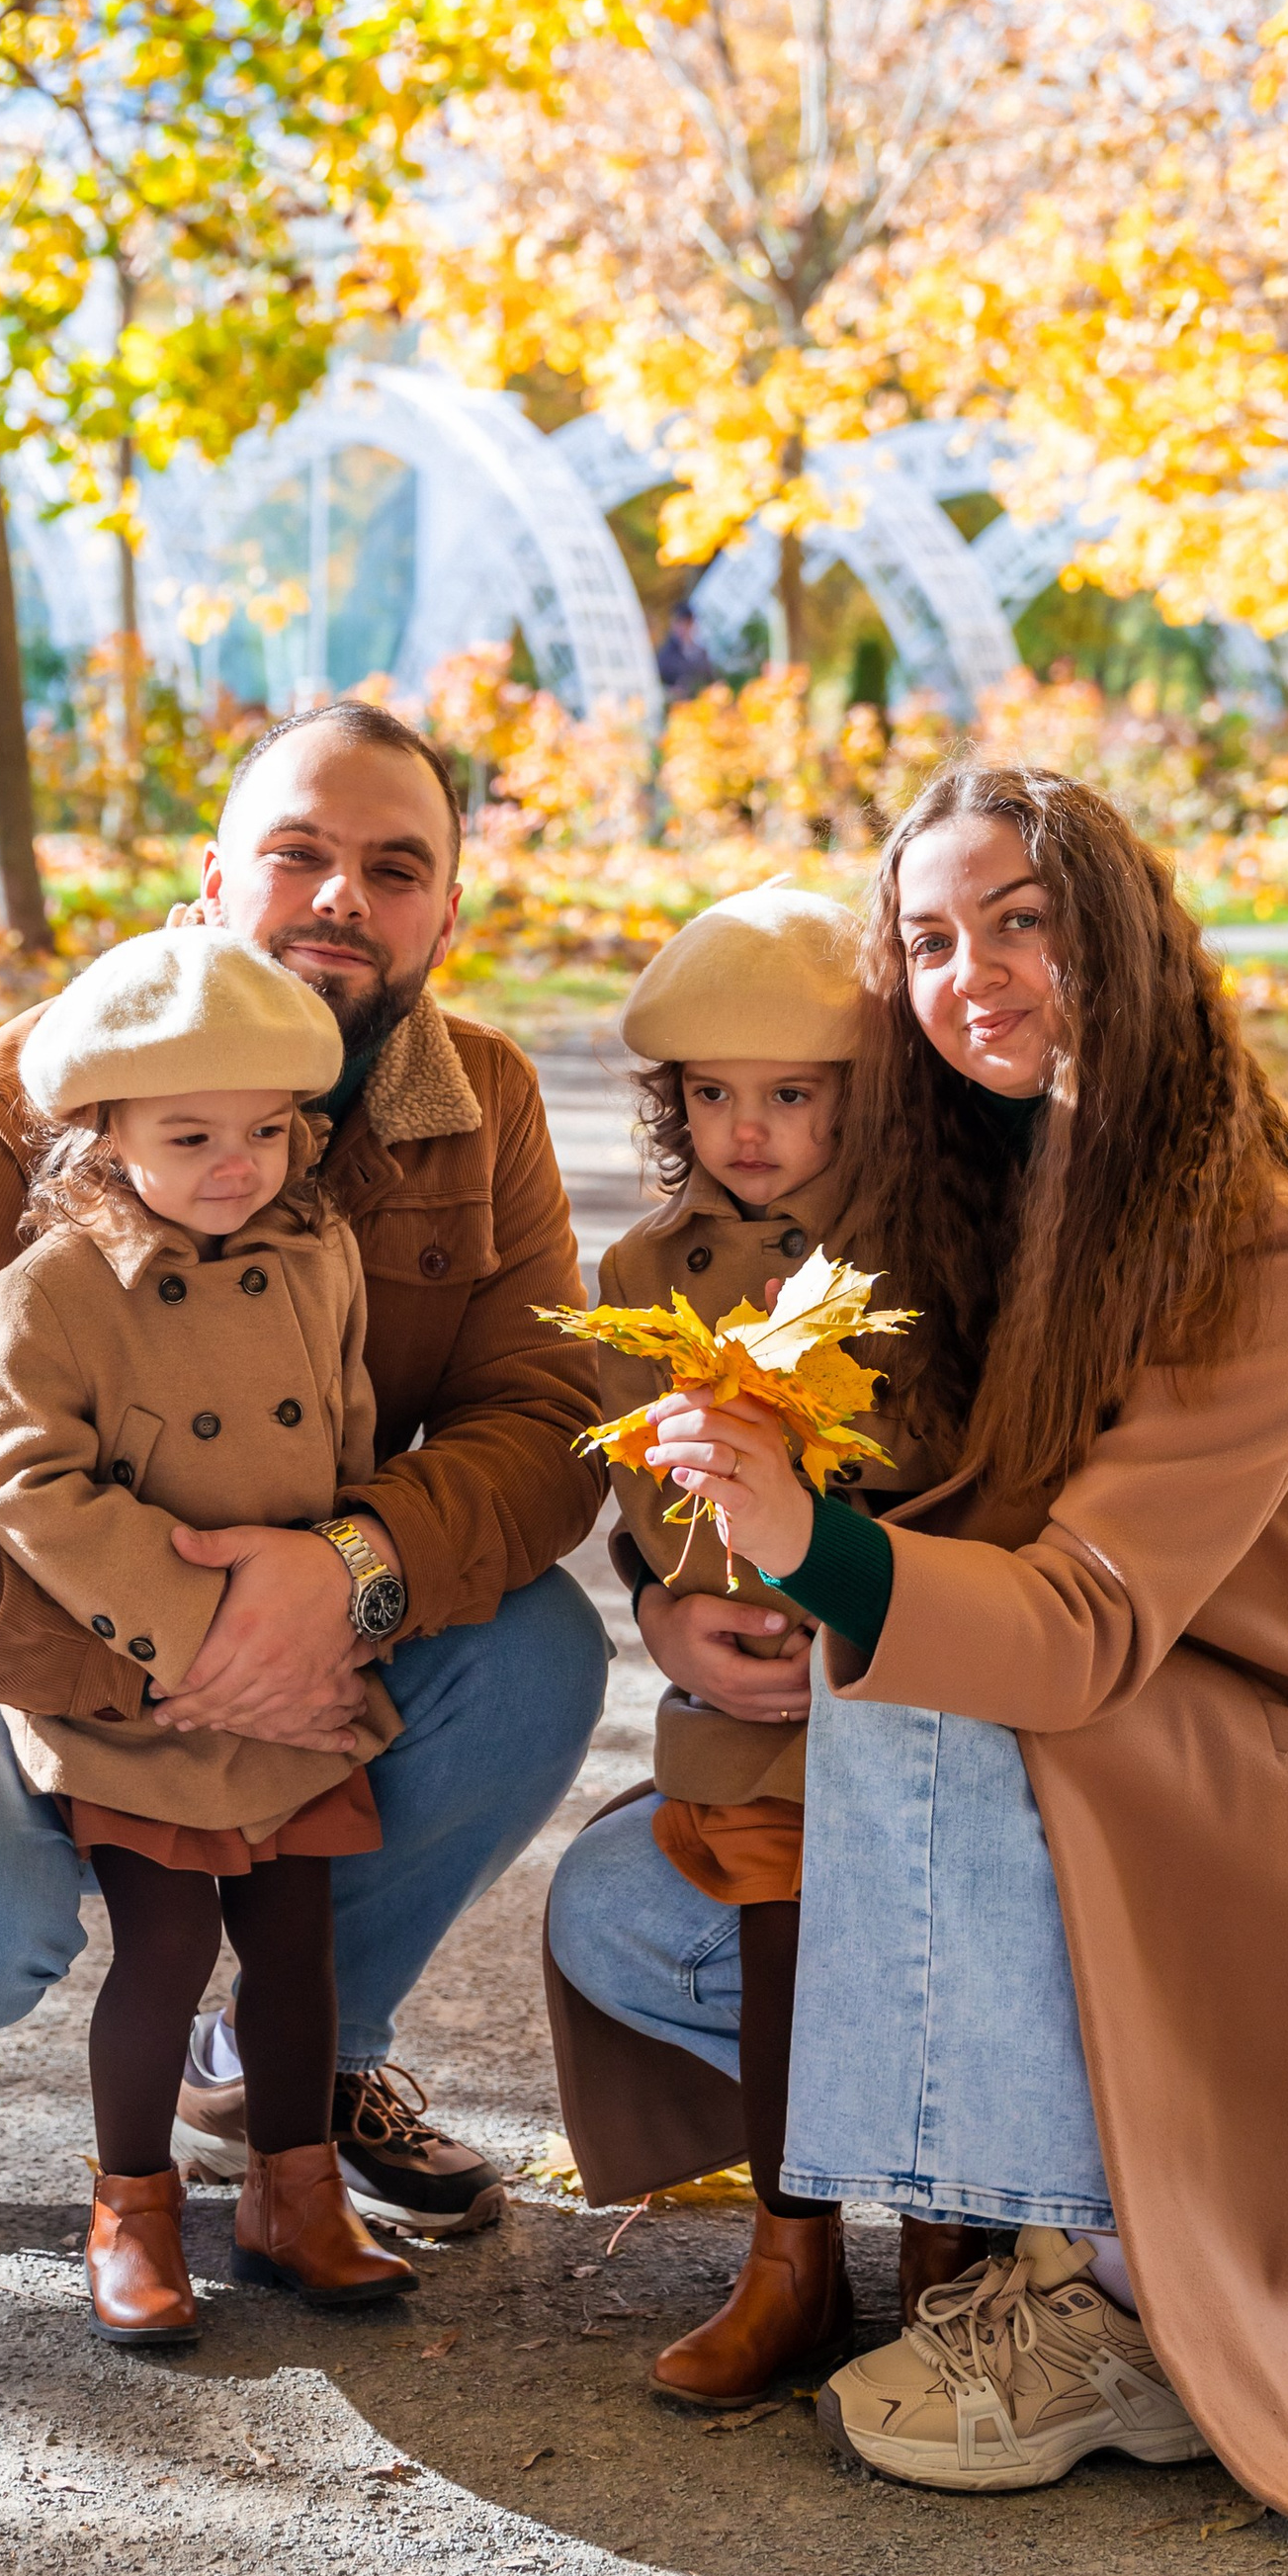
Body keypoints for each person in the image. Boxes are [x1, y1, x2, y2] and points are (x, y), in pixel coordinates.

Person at [552, 761, 1288, 2554]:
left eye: (1019, 922)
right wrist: (691, 1592)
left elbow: (1070, 1626)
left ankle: (1110, 2301)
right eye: (924, 940)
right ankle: (1048, 2215)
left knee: (908, 1696)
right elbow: (895, 1529)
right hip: (1107, 1743)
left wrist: (818, 1555)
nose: (970, 971)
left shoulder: (1251, 1235)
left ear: (1113, 935)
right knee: (627, 1906)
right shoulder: (973, 1191)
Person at [0, 699, 609, 2252]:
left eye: (396, 867)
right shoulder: (0, 1105)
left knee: (538, 1654)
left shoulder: (482, 1108)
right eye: (300, 854)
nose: (345, 895)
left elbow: (545, 1426)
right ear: (214, 883)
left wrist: (344, 1577)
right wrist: (190, 1657)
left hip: (301, 1597)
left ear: (448, 913)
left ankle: (294, 2059)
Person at [547, 878, 974, 2407]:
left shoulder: (918, 1256)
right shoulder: (643, 1272)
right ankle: (793, 2249)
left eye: (791, 1095)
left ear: (863, 1098)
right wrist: (680, 1590)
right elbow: (626, 1463)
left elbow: (955, 1457)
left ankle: (949, 2232)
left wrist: (848, 1575)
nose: (748, 1130)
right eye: (714, 1097)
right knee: (776, 1924)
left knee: (926, 1930)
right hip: (743, 1682)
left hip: (905, 1664)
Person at [0, 927, 412, 2339]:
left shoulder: (319, 1256)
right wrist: (189, 1637)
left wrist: (340, 1611)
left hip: (297, 1689)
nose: (239, 1164)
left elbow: (345, 1442)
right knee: (160, 1950)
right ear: (105, 1133)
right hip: (151, 1695)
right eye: (192, 1134)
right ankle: (132, 2206)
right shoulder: (55, 1287)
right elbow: (27, 1482)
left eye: (269, 1131)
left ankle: (295, 2195)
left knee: (298, 1945)